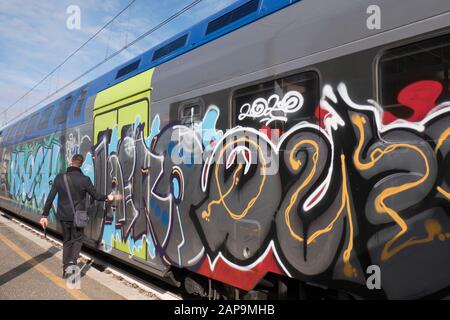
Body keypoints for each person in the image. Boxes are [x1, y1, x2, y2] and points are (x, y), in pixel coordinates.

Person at [40, 154, 115, 278]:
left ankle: (66, 269)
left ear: (71, 162)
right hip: (79, 216)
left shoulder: (59, 178)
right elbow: (96, 196)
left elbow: (50, 198)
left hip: (64, 216)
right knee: (77, 241)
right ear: (81, 164)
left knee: (67, 241)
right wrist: (108, 197)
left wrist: (44, 215)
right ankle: (72, 263)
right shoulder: (84, 179)